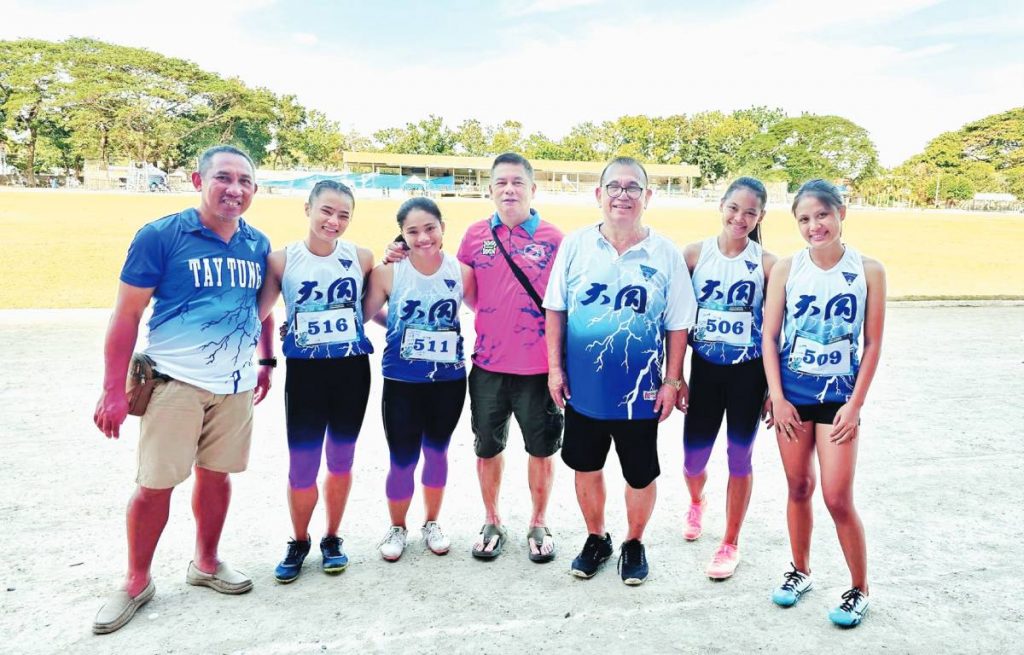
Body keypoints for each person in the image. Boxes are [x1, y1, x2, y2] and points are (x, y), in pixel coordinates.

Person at [91, 145, 274, 634]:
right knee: (155, 484)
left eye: (244, 181)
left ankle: (206, 563)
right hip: (175, 382)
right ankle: (136, 580)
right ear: (199, 180)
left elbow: (262, 305)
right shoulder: (161, 236)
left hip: (233, 387)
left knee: (218, 476)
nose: (234, 189)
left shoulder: (257, 243)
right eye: (223, 178)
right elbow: (125, 314)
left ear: (254, 190)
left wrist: (265, 361)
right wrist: (112, 389)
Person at [385, 153, 564, 562]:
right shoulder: (474, 235)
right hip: (487, 365)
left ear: (533, 189)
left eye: (517, 182)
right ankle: (492, 519)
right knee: (487, 448)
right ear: (490, 189)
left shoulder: (555, 239)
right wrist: (397, 250)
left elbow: (563, 304)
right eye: (500, 182)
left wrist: (558, 365)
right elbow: (448, 278)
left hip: (538, 369)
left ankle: (538, 521)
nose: (509, 189)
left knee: (541, 449)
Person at [544, 156, 697, 585]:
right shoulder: (574, 246)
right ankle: (597, 538)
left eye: (633, 188)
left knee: (640, 472)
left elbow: (678, 322)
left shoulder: (664, 252)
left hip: (640, 391)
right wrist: (555, 369)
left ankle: (633, 541)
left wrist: (672, 379)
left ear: (647, 196)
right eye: (614, 186)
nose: (623, 195)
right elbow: (555, 309)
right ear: (599, 195)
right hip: (583, 389)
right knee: (585, 466)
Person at [762, 179, 885, 627]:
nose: (815, 226)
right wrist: (776, 397)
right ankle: (800, 570)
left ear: (841, 213)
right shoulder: (787, 269)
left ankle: (859, 588)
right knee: (798, 487)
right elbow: (769, 337)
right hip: (793, 398)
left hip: (838, 401)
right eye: (804, 219)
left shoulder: (869, 270)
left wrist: (854, 405)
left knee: (836, 497)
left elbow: (872, 344)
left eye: (822, 215)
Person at [256, 181, 374, 583]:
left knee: (341, 461)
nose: (333, 221)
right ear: (307, 208)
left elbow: (373, 307)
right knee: (302, 466)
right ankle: (299, 539)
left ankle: (332, 538)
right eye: (326, 211)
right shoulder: (282, 260)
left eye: (343, 215)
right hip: (306, 374)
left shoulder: (361, 257)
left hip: (351, 371)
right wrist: (266, 360)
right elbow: (262, 314)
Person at [362, 197, 476, 561]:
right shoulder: (387, 273)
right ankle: (397, 526)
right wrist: (394, 324)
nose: (423, 237)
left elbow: (485, 311)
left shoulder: (462, 272)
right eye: (412, 231)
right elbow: (364, 313)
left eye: (430, 228)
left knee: (437, 452)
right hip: (402, 379)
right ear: (402, 234)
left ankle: (432, 522)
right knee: (402, 457)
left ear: (443, 227)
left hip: (449, 380)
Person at [680, 177, 777, 579]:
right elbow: (678, 323)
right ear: (721, 205)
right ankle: (697, 502)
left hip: (748, 375)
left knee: (740, 458)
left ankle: (730, 541)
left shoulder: (770, 265)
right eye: (734, 208)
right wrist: (676, 377)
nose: (740, 218)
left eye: (750, 212)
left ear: (760, 217)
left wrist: (774, 388)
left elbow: (776, 332)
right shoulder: (693, 255)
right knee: (692, 460)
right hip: (704, 370)